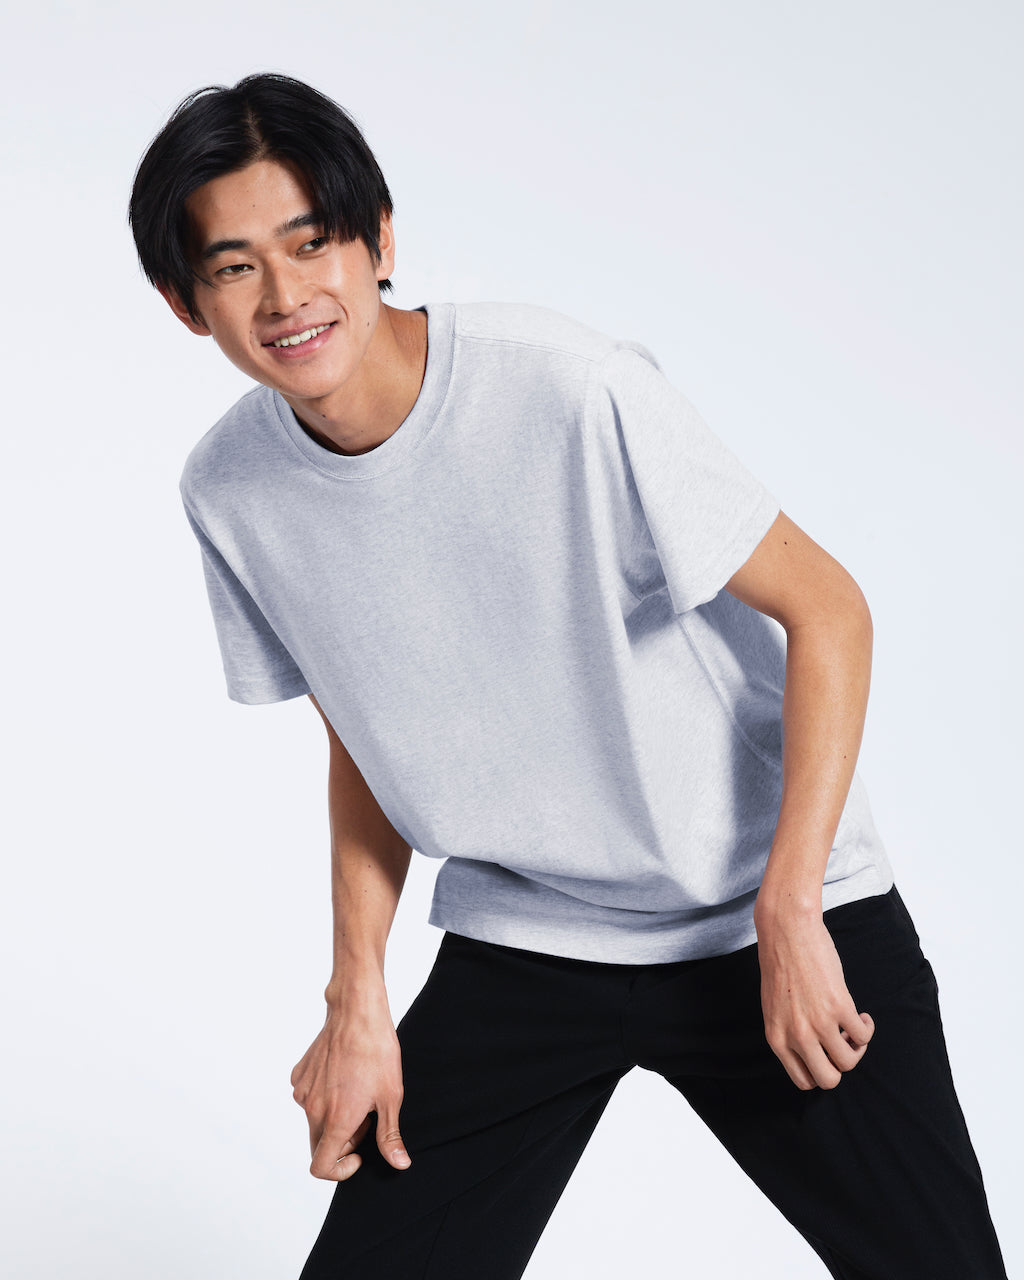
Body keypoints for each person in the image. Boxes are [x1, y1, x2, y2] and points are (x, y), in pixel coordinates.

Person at [129, 73, 1007, 1279]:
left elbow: (831, 610)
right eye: (233, 268)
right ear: (187, 305)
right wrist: (358, 999)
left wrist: (792, 906)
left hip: (757, 905)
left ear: (379, 237)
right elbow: (362, 733)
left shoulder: (568, 389)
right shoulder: (231, 488)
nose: (284, 296)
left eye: (311, 241)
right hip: (530, 927)